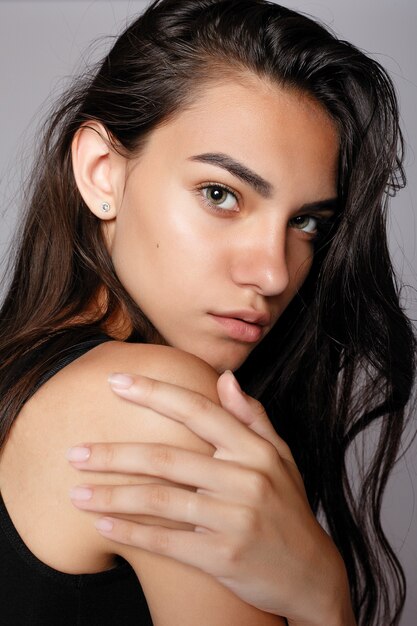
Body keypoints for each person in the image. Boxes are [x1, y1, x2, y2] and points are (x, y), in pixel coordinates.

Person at [0, 0, 414, 624]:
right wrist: (324, 597)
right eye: (221, 195)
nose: (274, 272)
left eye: (305, 223)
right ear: (101, 174)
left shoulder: (23, 367)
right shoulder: (155, 403)